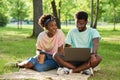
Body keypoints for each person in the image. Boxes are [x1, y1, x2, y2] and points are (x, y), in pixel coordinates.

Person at [53, 11, 102, 75]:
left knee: (98, 58)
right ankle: (82, 69)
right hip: (73, 59)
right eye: (77, 23)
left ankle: (72, 70)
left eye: (81, 24)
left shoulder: (93, 31)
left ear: (86, 22)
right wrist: (67, 54)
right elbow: (67, 47)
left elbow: (95, 43)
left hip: (87, 58)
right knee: (56, 55)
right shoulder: (71, 31)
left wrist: (93, 54)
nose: (79, 26)